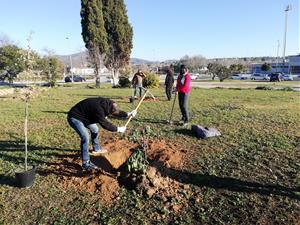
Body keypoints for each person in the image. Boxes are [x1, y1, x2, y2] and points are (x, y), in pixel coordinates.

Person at [67, 97, 137, 171]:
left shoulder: (108, 104)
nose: (111, 114)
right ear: (109, 110)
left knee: (95, 129)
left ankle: (96, 148)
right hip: (75, 117)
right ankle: (86, 163)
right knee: (85, 137)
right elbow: (105, 124)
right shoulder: (99, 109)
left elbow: (116, 112)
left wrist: (128, 114)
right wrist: (118, 129)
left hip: (86, 116)